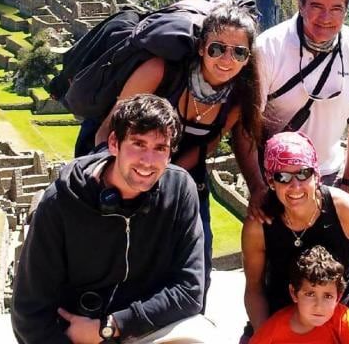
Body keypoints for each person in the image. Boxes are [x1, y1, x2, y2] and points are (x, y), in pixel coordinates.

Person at [11, 94, 214, 344]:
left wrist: (112, 325)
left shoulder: (180, 189)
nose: (148, 161)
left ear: (170, 153)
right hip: (76, 336)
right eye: (138, 144)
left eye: (160, 148)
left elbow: (191, 290)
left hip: (139, 327)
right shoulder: (61, 203)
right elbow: (29, 314)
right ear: (114, 143)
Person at [92, 0, 264, 296]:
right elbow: (108, 129)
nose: (226, 59)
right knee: (111, 252)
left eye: (238, 52)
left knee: (198, 256)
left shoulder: (236, 98)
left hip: (182, 168)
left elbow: (210, 140)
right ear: (201, 47)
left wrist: (168, 175)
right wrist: (112, 176)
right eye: (217, 48)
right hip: (121, 160)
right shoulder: (160, 71)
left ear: (247, 58)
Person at [238, 0, 349, 221]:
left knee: (330, 259)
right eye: (317, 6)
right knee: (272, 254)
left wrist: (348, 183)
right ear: (301, 4)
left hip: (327, 174)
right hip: (276, 177)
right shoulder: (269, 48)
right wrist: (258, 186)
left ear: (346, 12)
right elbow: (245, 125)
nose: (326, 18)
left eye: (336, 9)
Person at [242, 132, 349, 344]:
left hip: (341, 301)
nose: (295, 186)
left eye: (303, 174)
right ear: (271, 181)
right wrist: (268, 333)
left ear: (316, 175)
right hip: (280, 306)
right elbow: (254, 288)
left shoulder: (342, 208)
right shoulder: (260, 224)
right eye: (283, 177)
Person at [250, 245, 349, 344]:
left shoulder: (340, 318)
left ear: (338, 297)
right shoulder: (274, 328)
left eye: (328, 296)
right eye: (310, 294)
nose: (318, 306)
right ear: (294, 293)